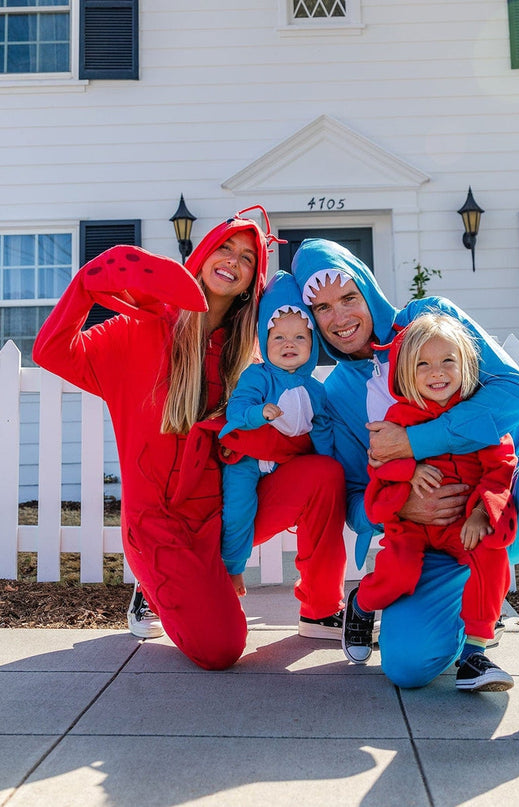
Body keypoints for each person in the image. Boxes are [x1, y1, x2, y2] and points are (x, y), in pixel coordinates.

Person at [291, 237, 519, 755]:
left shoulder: (431, 319)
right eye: (321, 307)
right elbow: (354, 498)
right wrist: (401, 503)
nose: (339, 317)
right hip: (433, 543)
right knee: (406, 665)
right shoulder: (338, 395)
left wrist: (416, 441)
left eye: (347, 296)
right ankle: (464, 612)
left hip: (500, 510)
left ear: (367, 288)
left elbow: (516, 394)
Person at [32, 208, 346, 670]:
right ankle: (156, 586)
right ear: (200, 256)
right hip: (161, 524)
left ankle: (321, 610)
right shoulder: (139, 330)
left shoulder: (249, 359)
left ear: (250, 281)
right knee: (221, 649)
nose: (233, 261)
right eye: (225, 247)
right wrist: (85, 285)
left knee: (323, 473)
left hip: (221, 512)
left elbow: (269, 442)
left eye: (246, 258)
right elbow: (51, 351)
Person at [343, 313, 517, 693]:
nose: (436, 372)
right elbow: (379, 463)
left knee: (490, 551)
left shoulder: (476, 416)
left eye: (447, 361)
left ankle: (475, 651)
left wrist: (478, 513)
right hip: (412, 528)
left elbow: (501, 465)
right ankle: (362, 604)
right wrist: (408, 472)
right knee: (400, 575)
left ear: (466, 365)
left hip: (459, 525)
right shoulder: (398, 418)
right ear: (406, 372)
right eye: (423, 364)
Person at [218, 269, 338, 602]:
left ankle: (320, 596)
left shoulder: (316, 390)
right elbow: (237, 411)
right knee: (239, 508)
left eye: (300, 337)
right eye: (278, 338)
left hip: (286, 463)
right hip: (247, 459)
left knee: (319, 483)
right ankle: (232, 567)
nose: (289, 344)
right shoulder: (257, 376)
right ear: (263, 341)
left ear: (313, 344)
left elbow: (323, 428)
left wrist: (327, 459)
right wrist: (260, 412)